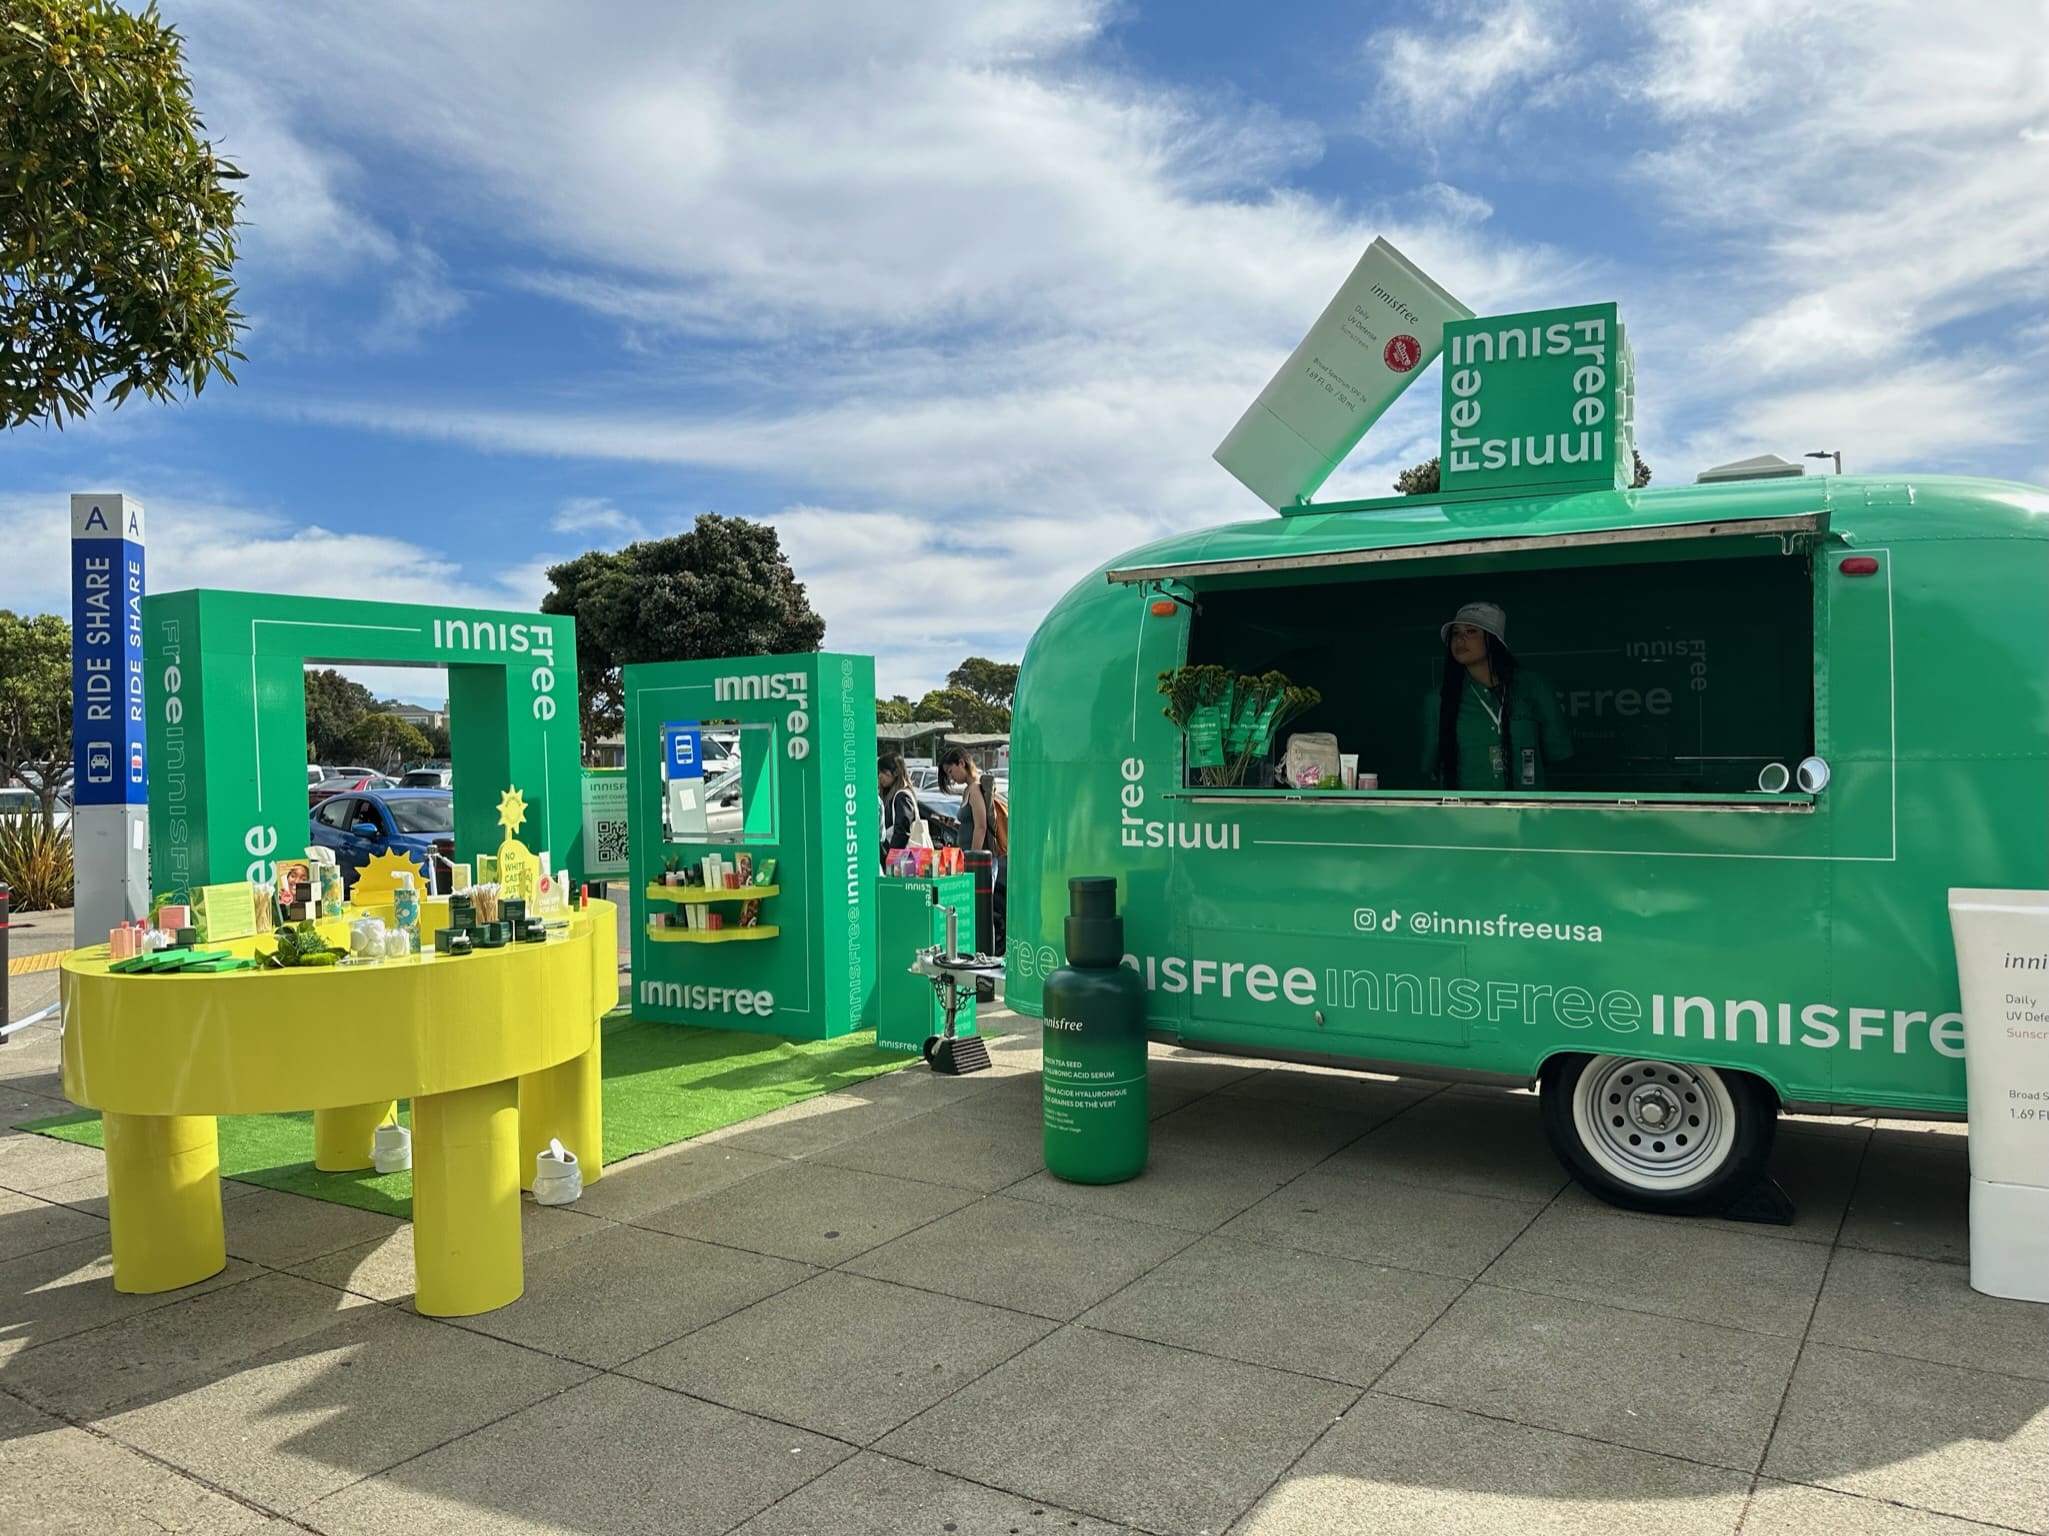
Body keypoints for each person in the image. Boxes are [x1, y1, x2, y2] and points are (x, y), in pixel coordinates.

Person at [1420, 601, 1573, 791]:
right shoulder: (1438, 700)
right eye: (1456, 633)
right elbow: (1430, 765)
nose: (1460, 640)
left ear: (1493, 640)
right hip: (1464, 815)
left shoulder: (1534, 687)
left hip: (1527, 813)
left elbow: (1557, 752)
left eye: (1471, 632)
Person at [878, 753, 921, 868]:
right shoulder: (894, 794)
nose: (880, 776)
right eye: (878, 772)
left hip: (901, 861)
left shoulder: (902, 796)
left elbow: (902, 832)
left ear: (896, 772)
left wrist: (892, 860)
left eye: (883, 772)